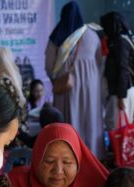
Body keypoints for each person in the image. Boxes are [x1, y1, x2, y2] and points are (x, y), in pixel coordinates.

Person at [45, 2, 104, 159]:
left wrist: (56, 77)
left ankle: (70, 154)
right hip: (91, 86)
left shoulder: (56, 36)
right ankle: (92, 155)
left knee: (70, 118)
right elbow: (99, 62)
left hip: (67, 86)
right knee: (90, 118)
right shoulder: (92, 35)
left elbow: (49, 66)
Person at [100, 12, 134, 134]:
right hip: (122, 91)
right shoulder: (121, 40)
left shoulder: (121, 43)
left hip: (123, 92)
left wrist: (121, 97)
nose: (105, 31)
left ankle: (121, 154)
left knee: (120, 132)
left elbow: (123, 69)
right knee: (118, 129)